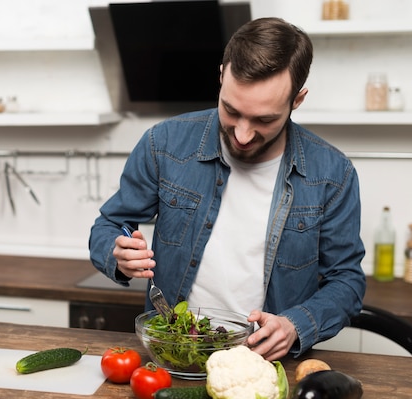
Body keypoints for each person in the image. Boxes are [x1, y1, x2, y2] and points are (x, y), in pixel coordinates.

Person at [88, 17, 366, 360]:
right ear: (221, 76)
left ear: (297, 100)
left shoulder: (333, 173)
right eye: (231, 111)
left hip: (265, 365)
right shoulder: (164, 144)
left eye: (265, 120)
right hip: (176, 354)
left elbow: (347, 282)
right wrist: (119, 255)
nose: (243, 134)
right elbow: (108, 226)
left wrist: (296, 325)